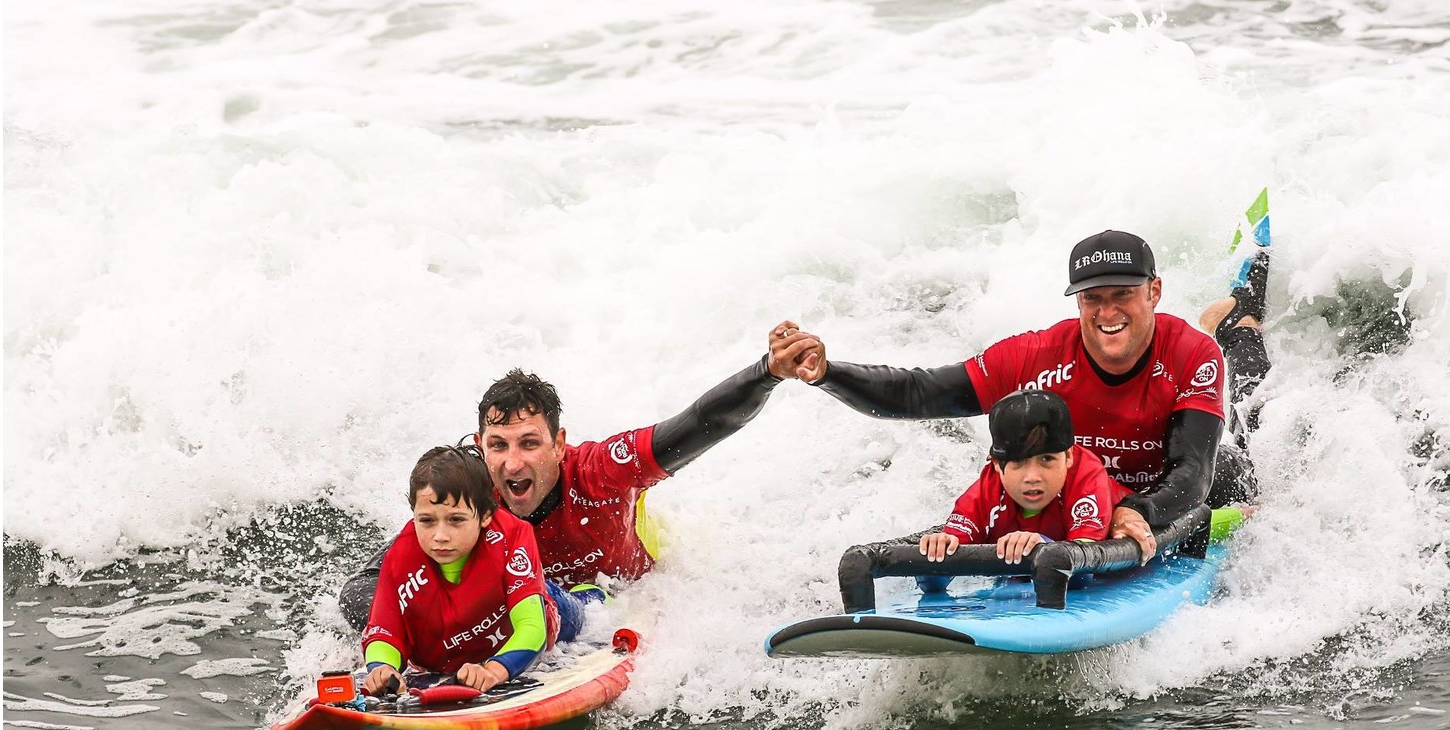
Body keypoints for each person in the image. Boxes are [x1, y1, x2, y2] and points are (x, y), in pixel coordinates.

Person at [766, 229, 1271, 562]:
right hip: (1071, 498)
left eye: (1124, 294)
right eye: (1092, 298)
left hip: (1175, 492)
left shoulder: (1188, 353)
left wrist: (1136, 510)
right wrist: (826, 373)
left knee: (1246, 424)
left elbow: (1193, 472)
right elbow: (919, 393)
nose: (1107, 312)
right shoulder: (1037, 355)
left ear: (1154, 293)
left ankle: (1239, 318)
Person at [339, 354, 792, 629]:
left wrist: (767, 373)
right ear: (481, 447)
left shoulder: (602, 471)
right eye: (498, 446)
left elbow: (700, 425)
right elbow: (364, 585)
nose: (512, 464)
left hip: (634, 592)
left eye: (530, 443)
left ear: (559, 444)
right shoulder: (469, 495)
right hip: (537, 602)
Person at [359, 444, 582, 696]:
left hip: (548, 615)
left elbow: (533, 627)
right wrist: (382, 668)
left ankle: (589, 593)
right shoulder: (399, 556)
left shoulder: (512, 534)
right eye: (427, 521)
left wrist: (493, 671)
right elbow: (382, 631)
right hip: (448, 657)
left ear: (485, 515)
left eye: (456, 520)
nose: (440, 536)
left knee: (580, 612)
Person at [918, 389, 1142, 566]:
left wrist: (1042, 546)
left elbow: (1084, 569)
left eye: (1046, 460)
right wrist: (937, 552)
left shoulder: (1087, 477)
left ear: (1069, 457)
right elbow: (937, 576)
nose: (1033, 477)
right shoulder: (988, 487)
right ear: (996, 464)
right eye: (1018, 462)